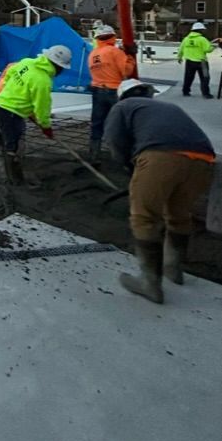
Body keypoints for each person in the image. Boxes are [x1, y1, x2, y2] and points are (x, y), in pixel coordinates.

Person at [104, 78, 216, 303]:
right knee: (179, 214)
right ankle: (173, 269)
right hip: (204, 161)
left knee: (144, 218)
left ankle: (150, 284)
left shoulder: (122, 107)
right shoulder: (169, 107)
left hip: (160, 157)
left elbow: (114, 140)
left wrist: (128, 165)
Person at [0, 44, 72, 184]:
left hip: (1, 105)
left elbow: (10, 72)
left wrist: (9, 90)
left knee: (8, 133)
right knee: (15, 143)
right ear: (59, 67)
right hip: (11, 110)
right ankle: (15, 179)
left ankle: (7, 156)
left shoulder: (27, 62)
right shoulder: (43, 81)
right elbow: (42, 108)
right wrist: (45, 126)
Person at [87, 24, 137, 163]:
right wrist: (130, 57)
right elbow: (126, 71)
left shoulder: (93, 54)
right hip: (114, 90)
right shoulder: (114, 52)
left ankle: (93, 155)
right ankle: (123, 156)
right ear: (113, 37)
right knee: (120, 122)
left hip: (97, 90)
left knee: (97, 123)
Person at [177, 21, 219, 99]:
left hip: (189, 62)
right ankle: (206, 94)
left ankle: (185, 91)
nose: (204, 31)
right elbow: (208, 49)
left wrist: (179, 58)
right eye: (203, 29)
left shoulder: (186, 39)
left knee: (188, 77)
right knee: (205, 78)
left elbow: (181, 49)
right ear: (200, 30)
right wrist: (213, 47)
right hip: (202, 62)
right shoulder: (202, 39)